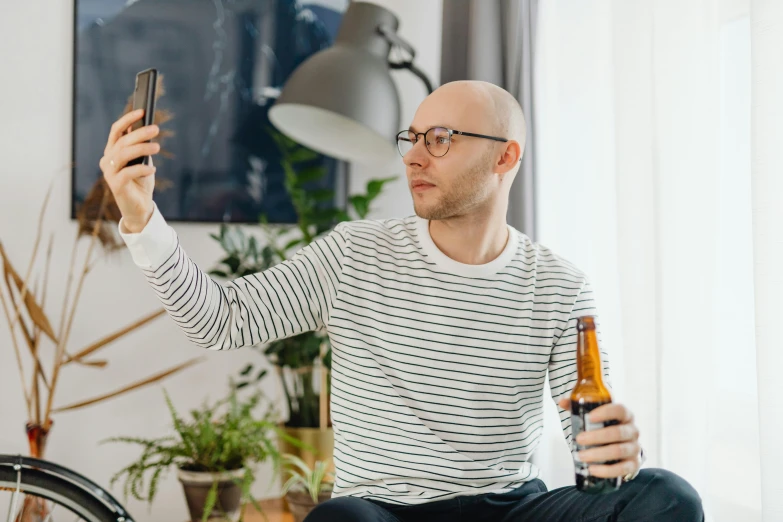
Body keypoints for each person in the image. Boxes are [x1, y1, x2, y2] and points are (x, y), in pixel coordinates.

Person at [100, 81, 704, 522]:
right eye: (411, 138)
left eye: (440, 139)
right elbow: (218, 320)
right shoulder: (354, 254)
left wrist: (615, 454)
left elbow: (591, 451)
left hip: (512, 508)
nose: (414, 155)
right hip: (382, 512)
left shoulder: (559, 283)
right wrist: (140, 216)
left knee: (668, 496)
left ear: (505, 156)